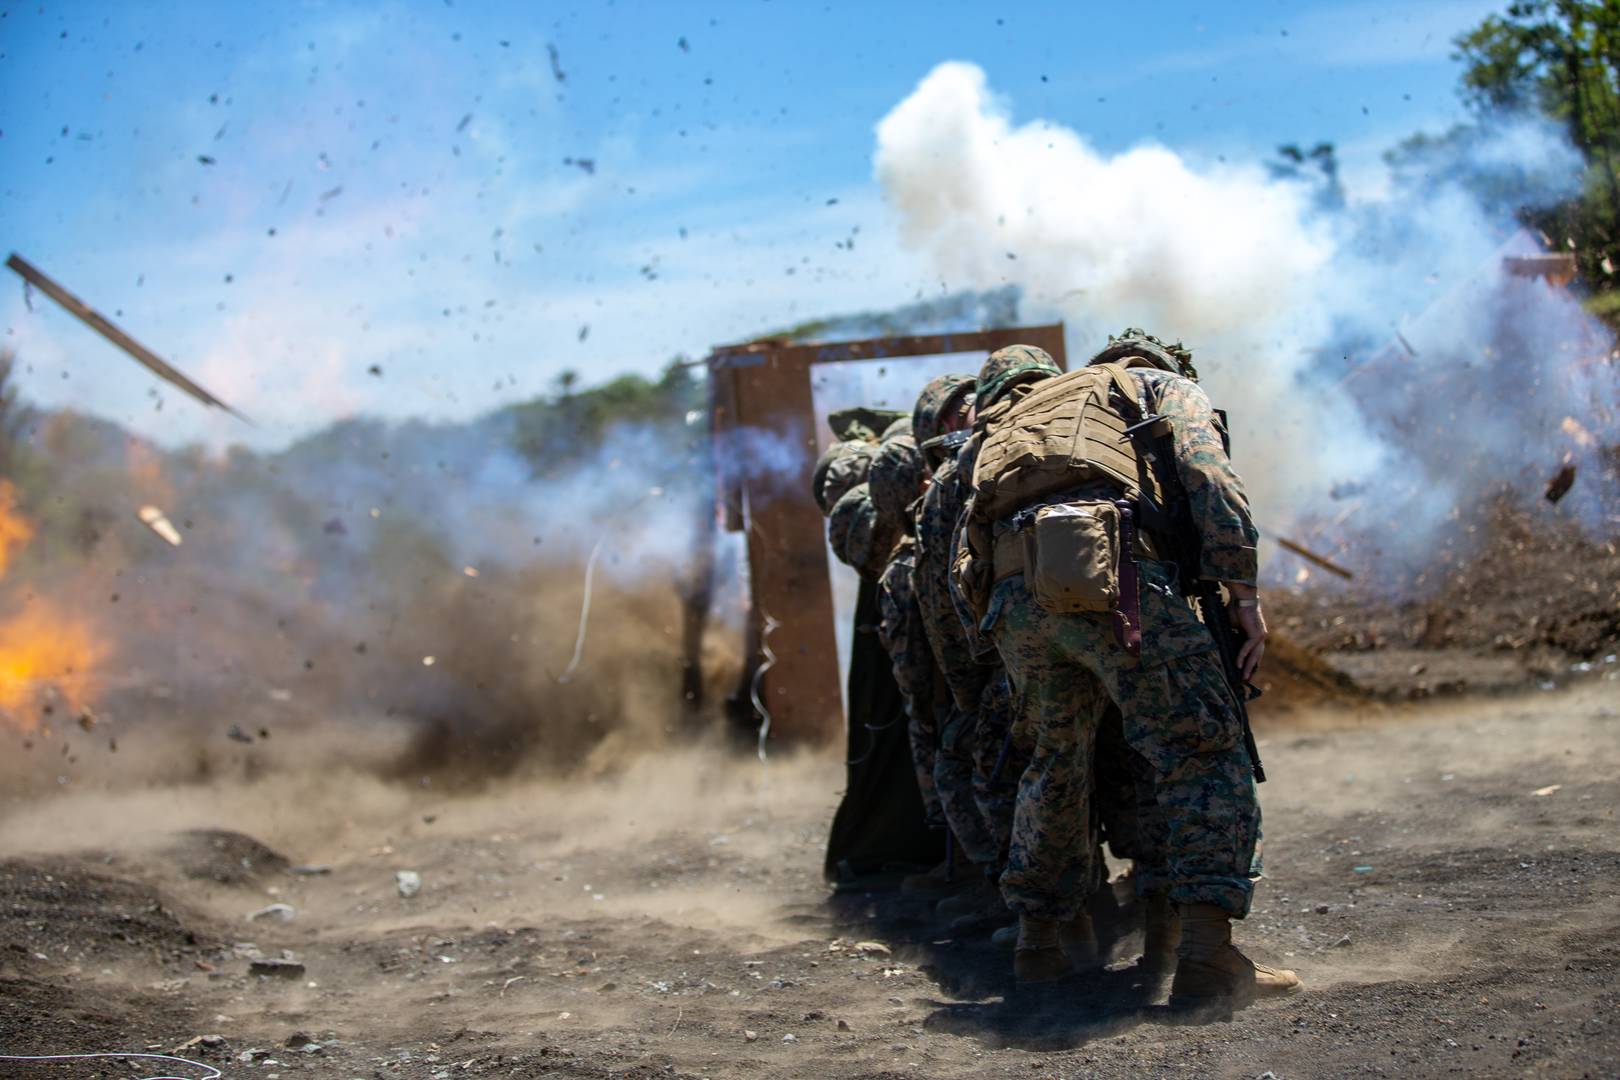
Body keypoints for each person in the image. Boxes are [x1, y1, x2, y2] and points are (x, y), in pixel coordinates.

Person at [958, 334, 1299, 1009]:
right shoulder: (1156, 387)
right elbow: (1210, 477)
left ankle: (1039, 946)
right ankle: (1207, 958)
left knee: (1054, 759)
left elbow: (965, 546)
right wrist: (1243, 593)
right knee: (1199, 746)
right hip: (1113, 575)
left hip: (1012, 595)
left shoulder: (1023, 411)